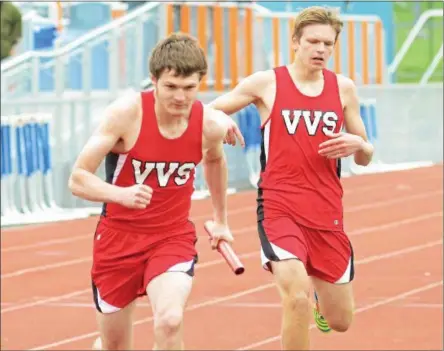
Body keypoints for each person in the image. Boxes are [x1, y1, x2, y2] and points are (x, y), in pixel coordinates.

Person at [209, 6, 374, 350]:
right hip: (279, 206)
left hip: (326, 211)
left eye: (328, 44)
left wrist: (359, 143)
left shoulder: (343, 89)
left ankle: (319, 299)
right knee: (295, 298)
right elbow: (208, 110)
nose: (321, 50)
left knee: (340, 320)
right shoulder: (267, 83)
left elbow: (365, 155)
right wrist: (222, 122)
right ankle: (303, 292)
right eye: (313, 41)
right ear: (296, 42)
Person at [68, 32, 244, 350]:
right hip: (118, 241)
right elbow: (78, 178)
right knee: (113, 346)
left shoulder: (209, 125)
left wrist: (221, 219)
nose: (180, 97)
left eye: (189, 88)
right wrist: (118, 194)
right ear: (154, 81)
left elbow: (215, 161)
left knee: (170, 320)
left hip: (170, 238)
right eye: (171, 87)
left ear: (200, 84)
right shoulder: (126, 114)